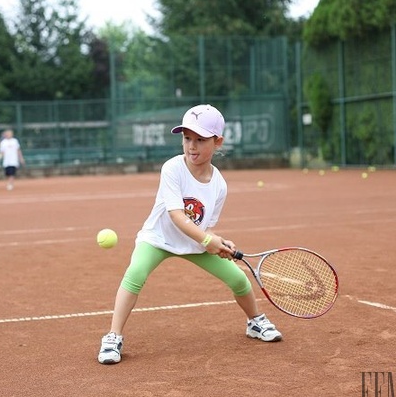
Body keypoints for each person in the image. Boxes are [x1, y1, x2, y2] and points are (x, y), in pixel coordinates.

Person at [97, 104, 282, 365]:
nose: (191, 146)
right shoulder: (172, 168)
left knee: (239, 280)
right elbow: (176, 215)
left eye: (200, 139)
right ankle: (113, 336)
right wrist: (208, 240)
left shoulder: (219, 185)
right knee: (135, 274)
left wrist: (219, 242)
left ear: (218, 142)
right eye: (186, 138)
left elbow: (204, 227)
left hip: (194, 242)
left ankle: (255, 322)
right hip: (157, 238)